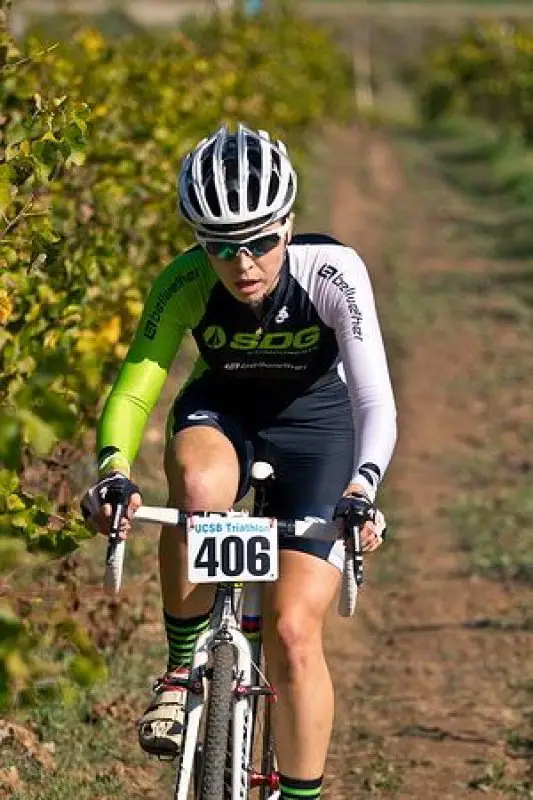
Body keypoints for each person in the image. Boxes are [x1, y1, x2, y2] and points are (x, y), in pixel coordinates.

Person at [81, 123, 397, 800]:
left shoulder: (331, 271)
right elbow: (137, 385)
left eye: (261, 241)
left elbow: (372, 393)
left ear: (288, 224)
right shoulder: (185, 281)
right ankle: (178, 671)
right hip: (222, 413)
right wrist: (113, 467)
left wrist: (362, 486)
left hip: (315, 425)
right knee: (197, 490)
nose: (244, 263)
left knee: (291, 632)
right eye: (221, 246)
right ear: (199, 242)